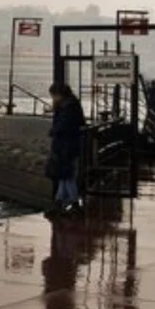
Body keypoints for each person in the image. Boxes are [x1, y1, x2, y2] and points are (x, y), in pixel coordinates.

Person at [47, 82, 86, 213]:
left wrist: (53, 131)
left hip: (65, 146)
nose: (53, 99)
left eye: (53, 96)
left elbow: (63, 126)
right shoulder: (73, 105)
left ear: (59, 95)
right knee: (64, 175)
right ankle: (59, 202)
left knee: (66, 175)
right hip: (70, 145)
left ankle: (73, 202)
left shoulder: (67, 108)